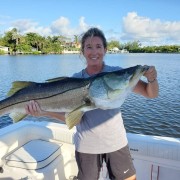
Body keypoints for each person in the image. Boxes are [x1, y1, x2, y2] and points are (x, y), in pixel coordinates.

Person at [25, 27, 159, 180]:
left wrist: (152, 79)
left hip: (117, 144)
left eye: (98, 46)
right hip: (87, 146)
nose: (94, 52)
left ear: (105, 49)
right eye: (89, 47)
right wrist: (43, 112)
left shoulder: (118, 74)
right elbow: (74, 119)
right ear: (82, 52)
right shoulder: (75, 79)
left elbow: (151, 93)